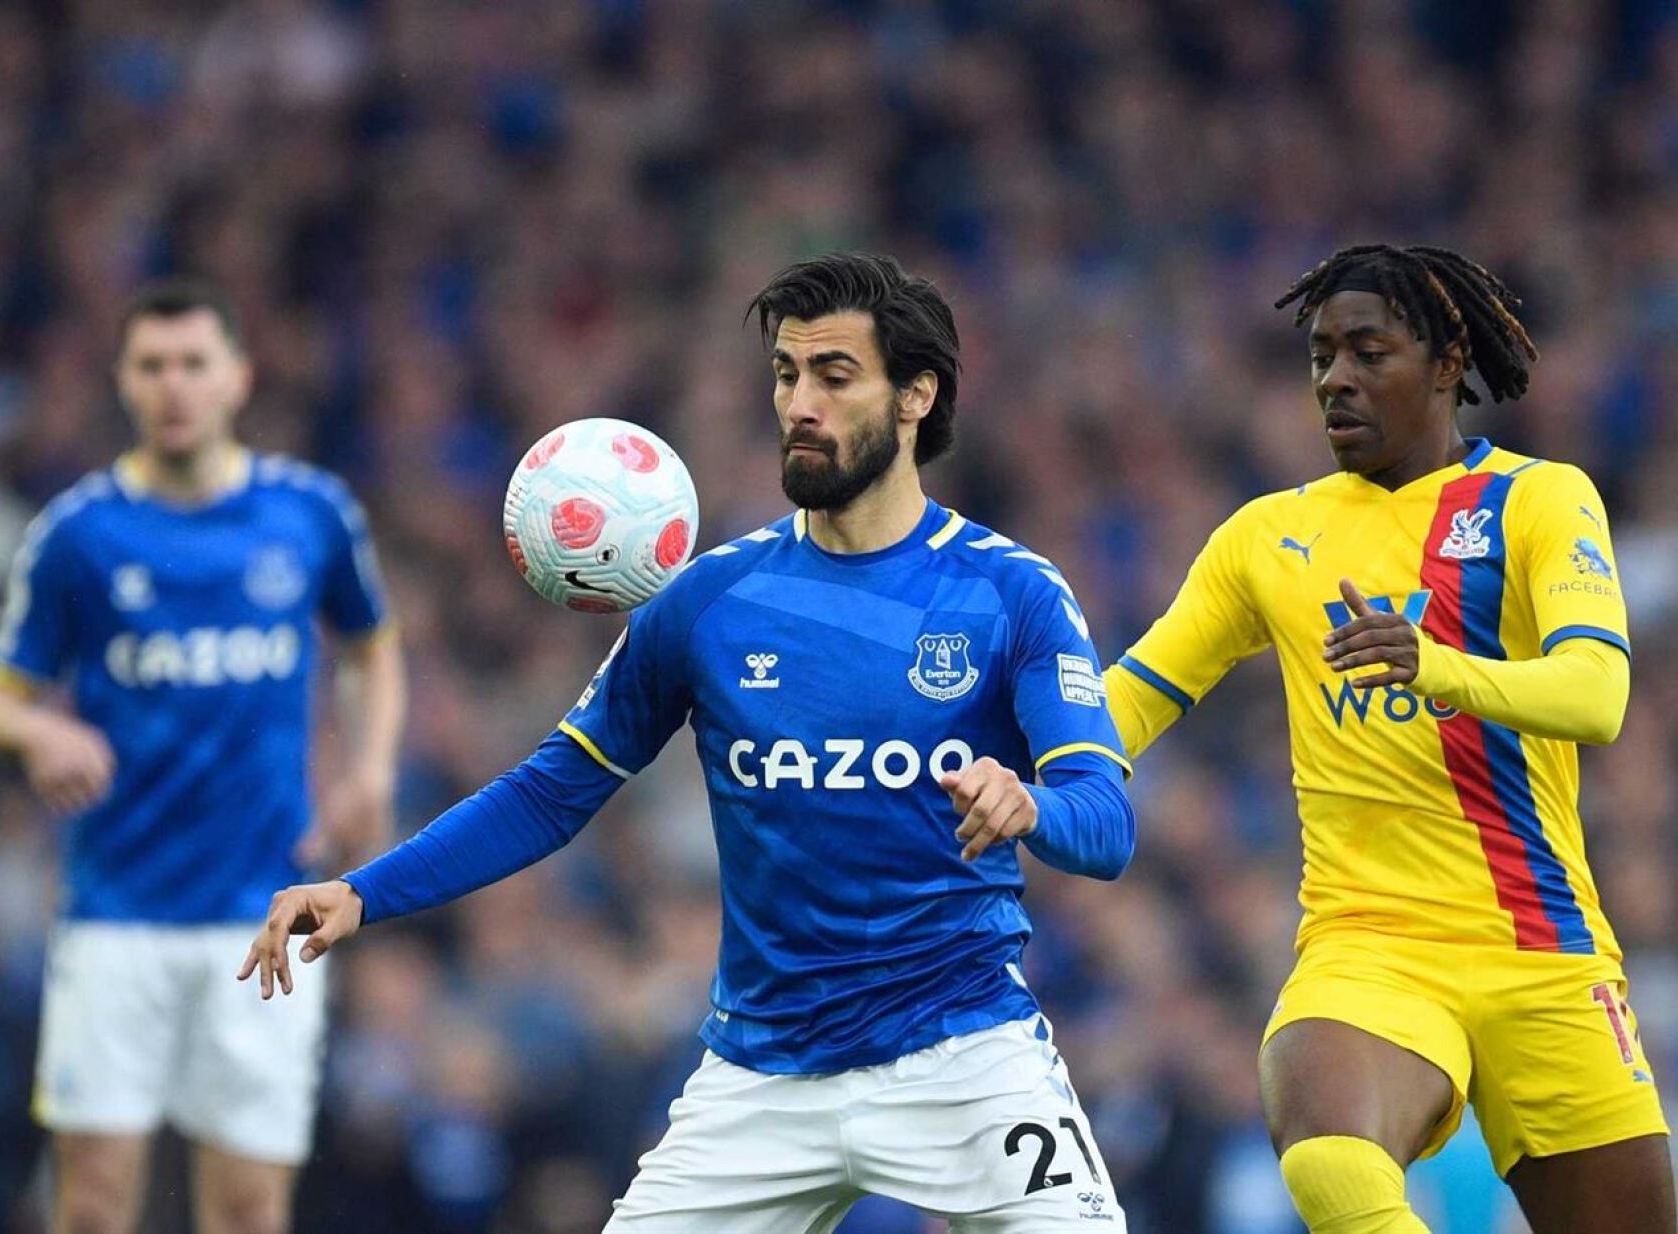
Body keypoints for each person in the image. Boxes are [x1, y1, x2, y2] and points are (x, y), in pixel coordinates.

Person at [241, 252, 1136, 1231]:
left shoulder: (1011, 594)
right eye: (787, 375)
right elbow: (550, 794)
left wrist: (1032, 806)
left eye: (834, 377)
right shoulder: (706, 602)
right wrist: (366, 891)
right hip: (761, 1074)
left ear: (916, 395)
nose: (800, 402)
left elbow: (1104, 821)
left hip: (963, 1054)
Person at [1103, 244, 1674, 1234]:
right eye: (1321, 354)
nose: (1334, 377)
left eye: (1368, 351)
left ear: (1448, 359)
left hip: (1541, 946)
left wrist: (1434, 664)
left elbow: (1597, 694)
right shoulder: (1267, 537)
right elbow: (1137, 694)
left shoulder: (1538, 499)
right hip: (1370, 946)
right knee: (1324, 1142)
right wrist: (1012, 763)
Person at [0, 280, 406, 1234]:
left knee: (249, 1208)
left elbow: (372, 647)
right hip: (115, 913)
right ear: (124, 381)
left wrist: (369, 769)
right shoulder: (78, 535)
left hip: (265, 915)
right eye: (152, 365)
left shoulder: (311, 514)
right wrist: (43, 729)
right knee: (90, 1203)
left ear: (238, 377)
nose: (174, 386)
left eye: (194, 363)